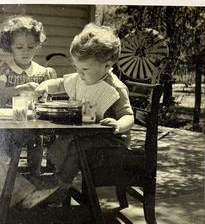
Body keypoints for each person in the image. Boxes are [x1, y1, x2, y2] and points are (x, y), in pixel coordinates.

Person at [35, 23, 134, 185]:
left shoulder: (115, 88)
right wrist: (45, 86)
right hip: (87, 133)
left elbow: (128, 116)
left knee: (75, 146)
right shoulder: (82, 78)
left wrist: (118, 124)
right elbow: (60, 84)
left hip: (111, 141)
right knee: (60, 141)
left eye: (85, 69)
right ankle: (52, 177)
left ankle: (60, 185)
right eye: (76, 67)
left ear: (107, 66)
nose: (79, 73)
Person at [0, 15, 62, 209]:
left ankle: (34, 179)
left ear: (38, 45)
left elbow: (48, 100)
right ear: (10, 47)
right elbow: (1, 94)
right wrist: (18, 89)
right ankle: (12, 184)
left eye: (30, 47)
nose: (25, 52)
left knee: (37, 143)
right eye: (19, 47)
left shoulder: (44, 72)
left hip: (33, 123)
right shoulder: (5, 69)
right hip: (8, 124)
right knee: (6, 154)